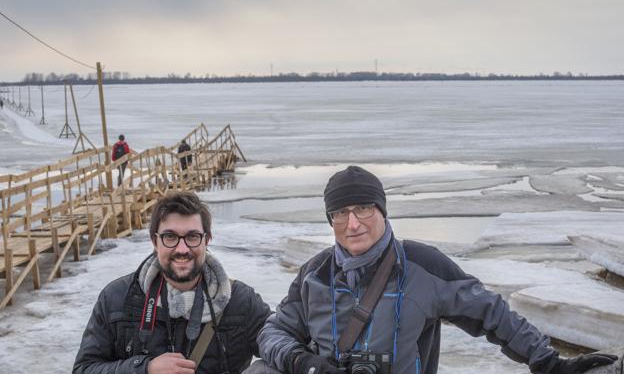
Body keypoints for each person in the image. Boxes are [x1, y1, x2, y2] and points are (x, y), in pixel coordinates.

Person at [258, 166, 618, 374]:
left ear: (383, 211)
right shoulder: (314, 273)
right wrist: (303, 362)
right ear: (330, 219)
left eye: (364, 209)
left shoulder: (422, 266)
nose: (353, 224)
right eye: (340, 213)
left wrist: (548, 363)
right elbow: (273, 332)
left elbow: (491, 313)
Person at [73, 191, 272, 374]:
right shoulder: (117, 298)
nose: (182, 249)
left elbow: (283, 342)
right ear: (154, 241)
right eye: (170, 237)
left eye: (192, 237)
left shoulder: (240, 301)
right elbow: (84, 369)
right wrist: (145, 368)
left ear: (207, 239)